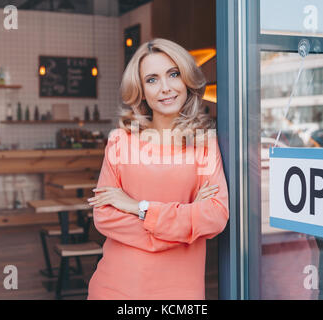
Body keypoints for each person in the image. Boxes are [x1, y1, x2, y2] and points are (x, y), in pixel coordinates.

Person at [86, 38, 229, 300]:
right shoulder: (121, 141)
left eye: (173, 74)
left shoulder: (204, 144)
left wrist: (138, 207)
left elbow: (215, 217)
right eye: (151, 79)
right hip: (115, 288)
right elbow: (104, 216)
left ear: (186, 79)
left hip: (179, 293)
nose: (165, 88)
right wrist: (185, 226)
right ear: (140, 90)